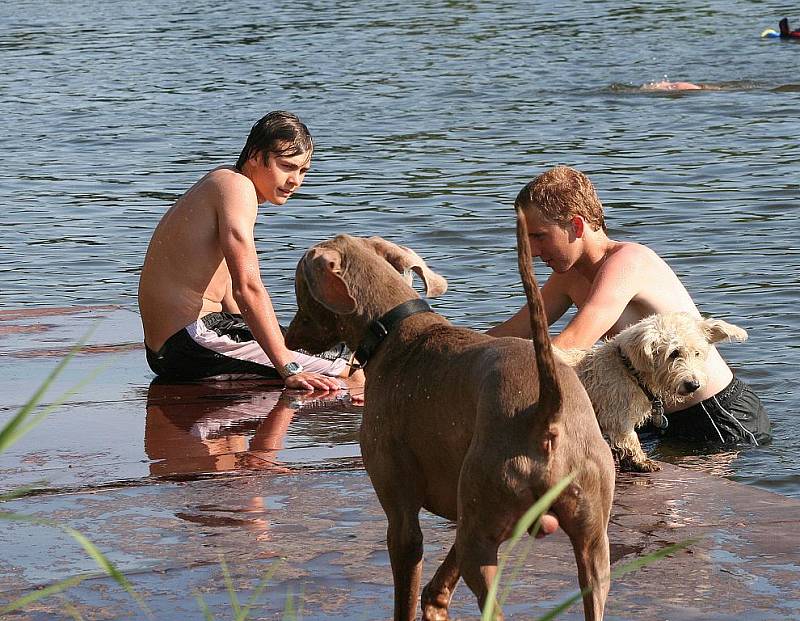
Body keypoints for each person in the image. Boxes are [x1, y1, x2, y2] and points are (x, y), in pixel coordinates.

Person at [489, 165, 771, 445]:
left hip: (717, 415)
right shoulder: (568, 277)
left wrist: (512, 387)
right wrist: (454, 356)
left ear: (575, 225)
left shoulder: (629, 262)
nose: (533, 252)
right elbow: (513, 330)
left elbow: (574, 343)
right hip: (653, 417)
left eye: (538, 236)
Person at [138, 111, 361, 392]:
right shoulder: (238, 188)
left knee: (310, 345)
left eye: (302, 171)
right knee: (350, 366)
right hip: (191, 341)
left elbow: (229, 294)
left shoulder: (222, 181)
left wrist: (277, 343)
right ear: (255, 155)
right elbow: (248, 287)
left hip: (173, 346)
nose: (296, 181)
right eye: (286, 166)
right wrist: (288, 368)